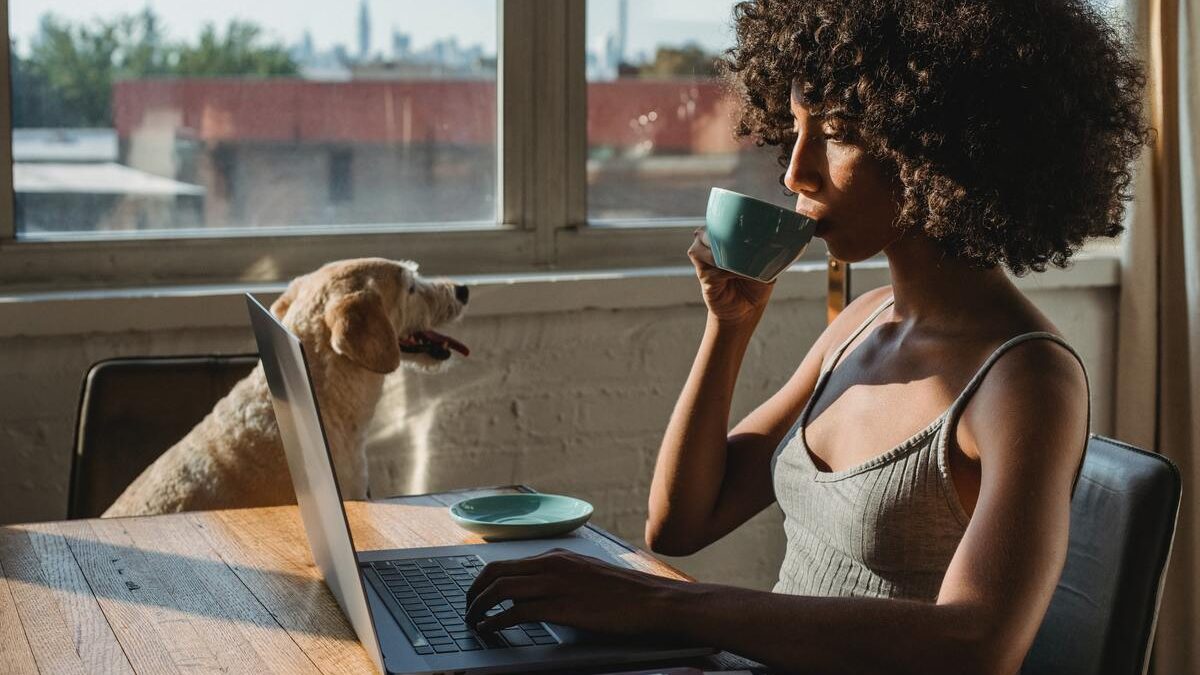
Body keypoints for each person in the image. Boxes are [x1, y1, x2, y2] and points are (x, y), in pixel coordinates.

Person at [465, 0, 1151, 672]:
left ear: (944, 145)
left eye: (838, 131)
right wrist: (729, 329)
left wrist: (665, 604)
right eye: (794, 127)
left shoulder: (1027, 380)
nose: (796, 171)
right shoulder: (859, 325)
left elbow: (976, 646)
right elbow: (680, 522)